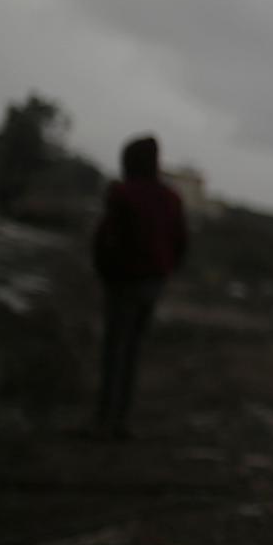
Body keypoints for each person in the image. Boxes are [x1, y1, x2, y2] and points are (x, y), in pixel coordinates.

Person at [90, 135, 188, 439]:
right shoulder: (171, 199)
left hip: (122, 282)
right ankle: (121, 419)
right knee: (131, 351)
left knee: (114, 350)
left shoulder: (122, 194)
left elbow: (106, 239)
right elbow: (181, 242)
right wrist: (165, 272)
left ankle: (105, 418)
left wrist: (106, 271)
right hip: (151, 284)